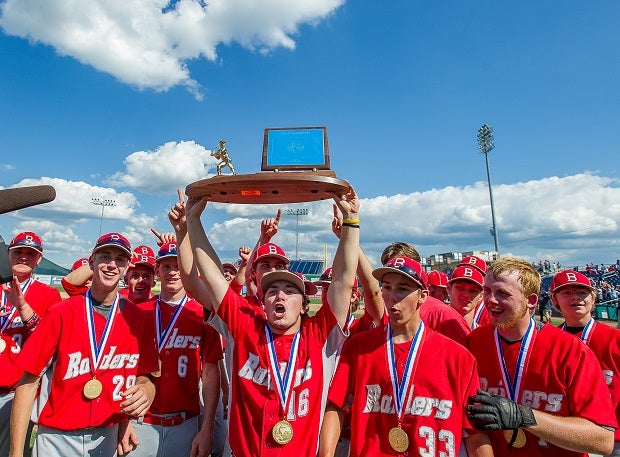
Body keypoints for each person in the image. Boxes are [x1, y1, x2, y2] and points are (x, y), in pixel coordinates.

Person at [184, 186, 359, 456]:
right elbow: (213, 277)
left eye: (290, 292)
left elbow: (342, 281)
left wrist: (351, 223)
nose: (280, 295)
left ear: (304, 305)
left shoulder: (318, 334)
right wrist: (193, 221)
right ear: (263, 302)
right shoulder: (246, 325)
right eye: (272, 291)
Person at [321, 256, 492, 456]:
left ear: (423, 295)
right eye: (387, 287)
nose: (393, 296)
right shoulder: (359, 347)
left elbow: (474, 433)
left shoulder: (458, 357)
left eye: (402, 288)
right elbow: (336, 405)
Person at [9, 232, 159, 457]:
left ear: (127, 267)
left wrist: (147, 389)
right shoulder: (61, 312)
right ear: (91, 262)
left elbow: (145, 375)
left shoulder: (137, 319)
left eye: (119, 259)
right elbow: (28, 383)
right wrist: (16, 453)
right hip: (56, 436)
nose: (111, 264)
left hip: (106, 436)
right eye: (105, 256)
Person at [467, 257, 616, 456]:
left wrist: (525, 417)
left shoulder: (570, 350)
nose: (491, 300)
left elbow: (603, 440)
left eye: (502, 293)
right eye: (487, 291)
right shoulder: (472, 343)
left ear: (531, 301)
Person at [126, 240, 223, 457]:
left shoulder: (203, 313)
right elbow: (121, 368)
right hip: (139, 421)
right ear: (157, 271)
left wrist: (207, 428)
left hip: (184, 423)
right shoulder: (137, 312)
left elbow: (210, 372)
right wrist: (122, 421)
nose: (172, 272)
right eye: (166, 266)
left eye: (178, 266)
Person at [1, 231, 61, 457]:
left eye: (30, 253)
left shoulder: (49, 295)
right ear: (8, 254)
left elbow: (49, 346)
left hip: (15, 394)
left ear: (39, 259)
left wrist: (23, 309)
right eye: (18, 252)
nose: (23, 257)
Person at [550, 269, 620, 456]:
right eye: (567, 293)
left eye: (582, 292)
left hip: (612, 439)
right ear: (554, 300)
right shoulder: (549, 339)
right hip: (563, 435)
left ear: (593, 298)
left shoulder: (615, 339)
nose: (576, 298)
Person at [448, 265, 489, 329]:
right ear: (448, 288)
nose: (466, 294)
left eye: (473, 290)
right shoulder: (434, 328)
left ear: (481, 296)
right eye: (460, 288)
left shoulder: (485, 336)